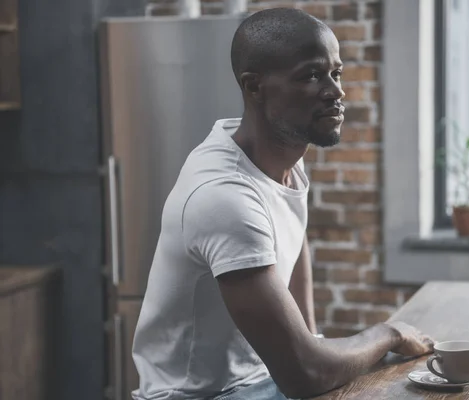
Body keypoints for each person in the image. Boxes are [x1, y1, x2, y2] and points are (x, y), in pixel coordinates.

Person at [131, 8, 434, 400]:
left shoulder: (281, 157)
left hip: (261, 379)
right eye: (311, 75)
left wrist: (311, 340)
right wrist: (386, 333)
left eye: (335, 73)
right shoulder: (223, 196)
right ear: (255, 87)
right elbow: (305, 373)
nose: (335, 90)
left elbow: (293, 234)